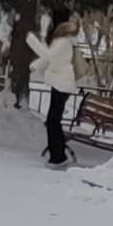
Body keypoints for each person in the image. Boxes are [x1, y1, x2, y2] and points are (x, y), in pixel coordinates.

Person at [28, 14, 80, 169]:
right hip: (61, 83)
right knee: (53, 120)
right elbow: (50, 59)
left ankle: (58, 156)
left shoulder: (63, 43)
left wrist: (31, 40)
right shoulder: (65, 43)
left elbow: (48, 55)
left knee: (53, 120)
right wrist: (34, 66)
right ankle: (56, 153)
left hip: (61, 84)